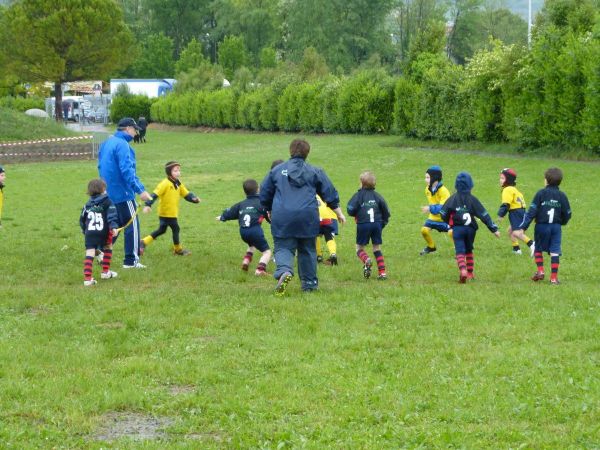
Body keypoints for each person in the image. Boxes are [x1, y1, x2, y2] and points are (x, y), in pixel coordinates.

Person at [260, 139, 346, 295]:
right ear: (308, 153)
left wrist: (268, 209)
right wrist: (338, 212)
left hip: (283, 216)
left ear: (290, 151)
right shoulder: (315, 171)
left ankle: (285, 271)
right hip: (308, 216)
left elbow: (265, 193)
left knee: (283, 246)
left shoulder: (277, 171)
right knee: (307, 249)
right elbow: (330, 193)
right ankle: (310, 284)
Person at [98, 117, 152, 268]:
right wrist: (139, 190)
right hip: (123, 193)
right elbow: (127, 171)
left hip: (107, 191)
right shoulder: (123, 145)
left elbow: (100, 165)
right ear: (128, 128)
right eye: (135, 130)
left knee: (118, 224)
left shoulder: (107, 142)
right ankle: (131, 261)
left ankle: (102, 251)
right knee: (132, 225)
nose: (136, 134)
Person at [512, 167, 571, 285]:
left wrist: (523, 228)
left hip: (541, 226)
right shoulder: (562, 196)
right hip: (556, 228)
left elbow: (531, 212)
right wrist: (562, 222)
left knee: (538, 248)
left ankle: (540, 271)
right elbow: (568, 213)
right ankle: (554, 278)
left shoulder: (541, 194)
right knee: (555, 250)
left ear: (546, 181)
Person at [439, 172, 500, 283]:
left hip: (458, 229)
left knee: (460, 250)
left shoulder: (452, 199)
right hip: (471, 229)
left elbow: (442, 213)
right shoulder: (473, 200)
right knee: (469, 250)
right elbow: (484, 215)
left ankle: (463, 270)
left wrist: (449, 222)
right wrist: (494, 229)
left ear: (456, 185)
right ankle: (470, 273)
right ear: (470, 185)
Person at [141, 161, 200, 255]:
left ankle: (143, 242)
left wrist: (194, 199)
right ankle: (178, 250)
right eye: (175, 171)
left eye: (179, 171)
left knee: (162, 230)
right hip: (166, 212)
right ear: (169, 172)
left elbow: (186, 193)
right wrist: (148, 204)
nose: (178, 173)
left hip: (172, 212)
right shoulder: (165, 183)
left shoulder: (178, 183)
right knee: (176, 228)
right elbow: (154, 194)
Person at [217, 179, 271, 276]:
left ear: (244, 191)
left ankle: (246, 261)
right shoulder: (262, 203)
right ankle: (260, 270)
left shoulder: (241, 204)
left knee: (251, 245)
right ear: (258, 190)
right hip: (255, 231)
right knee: (267, 252)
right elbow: (267, 214)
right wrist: (271, 221)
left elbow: (230, 212)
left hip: (243, 231)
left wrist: (222, 217)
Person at [347, 171, 391, 280]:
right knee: (376, 248)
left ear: (361, 183)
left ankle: (366, 259)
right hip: (376, 224)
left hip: (363, 224)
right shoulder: (378, 196)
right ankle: (382, 273)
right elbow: (386, 211)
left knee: (359, 248)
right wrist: (383, 223)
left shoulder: (358, 195)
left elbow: (350, 209)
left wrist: (356, 213)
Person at [79, 179, 119, 286]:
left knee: (90, 252)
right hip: (103, 232)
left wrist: (84, 230)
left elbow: (82, 219)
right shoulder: (108, 201)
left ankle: (87, 279)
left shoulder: (87, 204)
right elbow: (112, 215)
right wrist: (114, 227)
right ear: (103, 189)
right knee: (108, 247)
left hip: (90, 233)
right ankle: (105, 272)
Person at [496, 168, 535, 256]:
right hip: (520, 212)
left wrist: (500, 215)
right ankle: (516, 249)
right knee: (510, 231)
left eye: (502, 178)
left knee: (516, 232)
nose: (500, 180)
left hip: (516, 212)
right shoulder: (513, 189)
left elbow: (506, 204)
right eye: (500, 178)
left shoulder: (507, 189)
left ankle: (532, 244)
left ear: (508, 180)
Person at [420, 165, 452, 255]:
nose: (425, 180)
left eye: (427, 177)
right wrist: (431, 209)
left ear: (435, 178)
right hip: (433, 217)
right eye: (425, 177)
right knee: (424, 231)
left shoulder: (444, 191)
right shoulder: (427, 189)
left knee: (452, 233)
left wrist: (430, 208)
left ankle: (460, 251)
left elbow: (444, 207)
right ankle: (431, 247)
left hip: (445, 218)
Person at [316, 194, 339, 265]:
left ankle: (318, 256)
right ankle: (333, 254)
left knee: (315, 236)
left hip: (315, 216)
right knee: (329, 236)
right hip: (327, 216)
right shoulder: (323, 192)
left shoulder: (308, 192)